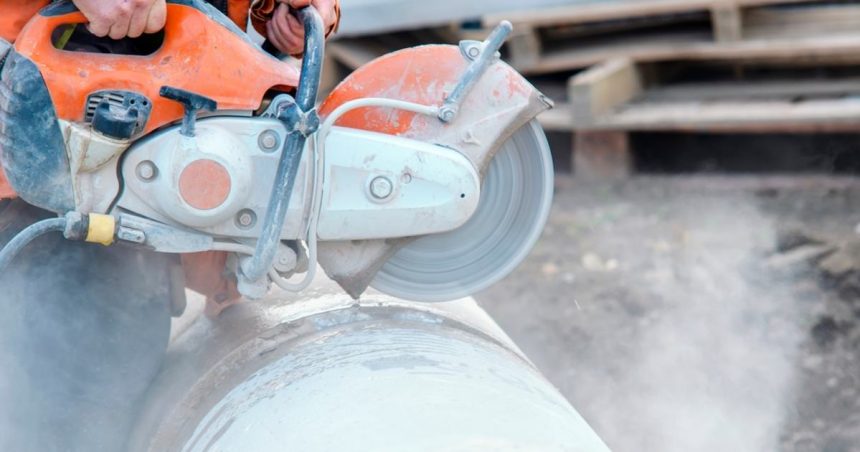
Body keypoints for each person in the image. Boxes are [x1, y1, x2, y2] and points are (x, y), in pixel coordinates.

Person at [0, 1, 340, 450]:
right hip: (35, 177)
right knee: (49, 405)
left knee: (102, 387)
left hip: (143, 192)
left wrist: (290, 10)